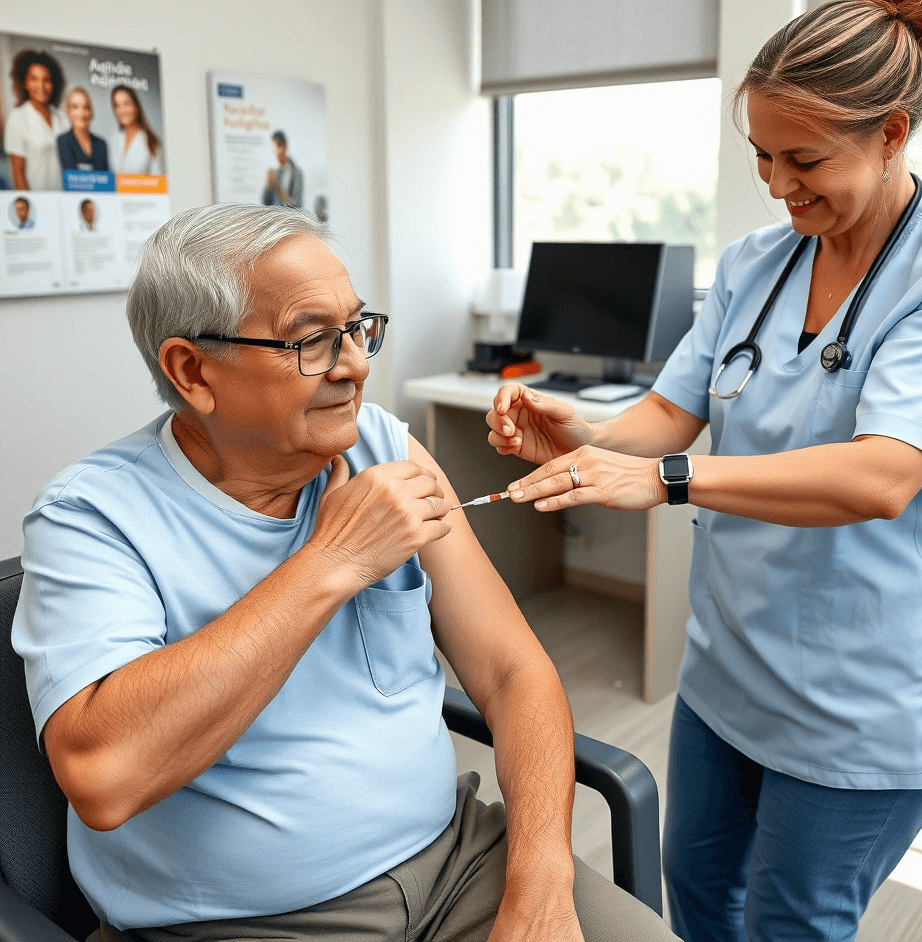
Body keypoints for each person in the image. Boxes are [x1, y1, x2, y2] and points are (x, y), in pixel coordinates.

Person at [483, 0, 922, 942]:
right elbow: (673, 408)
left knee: (789, 926)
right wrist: (590, 435)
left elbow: (882, 476)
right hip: (727, 668)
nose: (777, 185)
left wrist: (663, 478)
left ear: (892, 133)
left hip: (862, 692)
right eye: (762, 157)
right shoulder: (754, 263)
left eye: (802, 160)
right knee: (696, 897)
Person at [13, 204, 677, 942]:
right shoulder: (91, 516)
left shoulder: (382, 445)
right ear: (192, 371)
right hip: (247, 925)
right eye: (311, 341)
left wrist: (542, 882)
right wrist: (333, 562)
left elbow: (513, 671)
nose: (356, 364)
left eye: (357, 328)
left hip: (460, 863)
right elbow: (104, 779)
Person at [4, 48, 69, 191]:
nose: (41, 86)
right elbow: (18, 174)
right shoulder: (17, 118)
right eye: (34, 79)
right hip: (35, 200)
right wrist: (28, 201)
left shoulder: (62, 118)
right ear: (25, 82)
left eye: (47, 80)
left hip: (63, 199)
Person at [110, 85, 163, 176]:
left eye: (127, 104)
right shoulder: (113, 140)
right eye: (117, 105)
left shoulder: (152, 143)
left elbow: (159, 181)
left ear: (136, 106)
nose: (122, 110)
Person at [57, 86, 110, 174]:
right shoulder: (63, 141)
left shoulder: (101, 144)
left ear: (91, 112)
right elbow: (72, 177)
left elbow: (106, 178)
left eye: (86, 107)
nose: (81, 113)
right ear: (68, 111)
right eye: (75, 107)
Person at [262, 129, 304, 208]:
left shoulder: (296, 172)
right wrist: (268, 185)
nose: (277, 151)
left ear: (285, 147)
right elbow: (266, 203)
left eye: (279, 146)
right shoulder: (276, 173)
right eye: (274, 147)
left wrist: (276, 186)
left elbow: (297, 205)